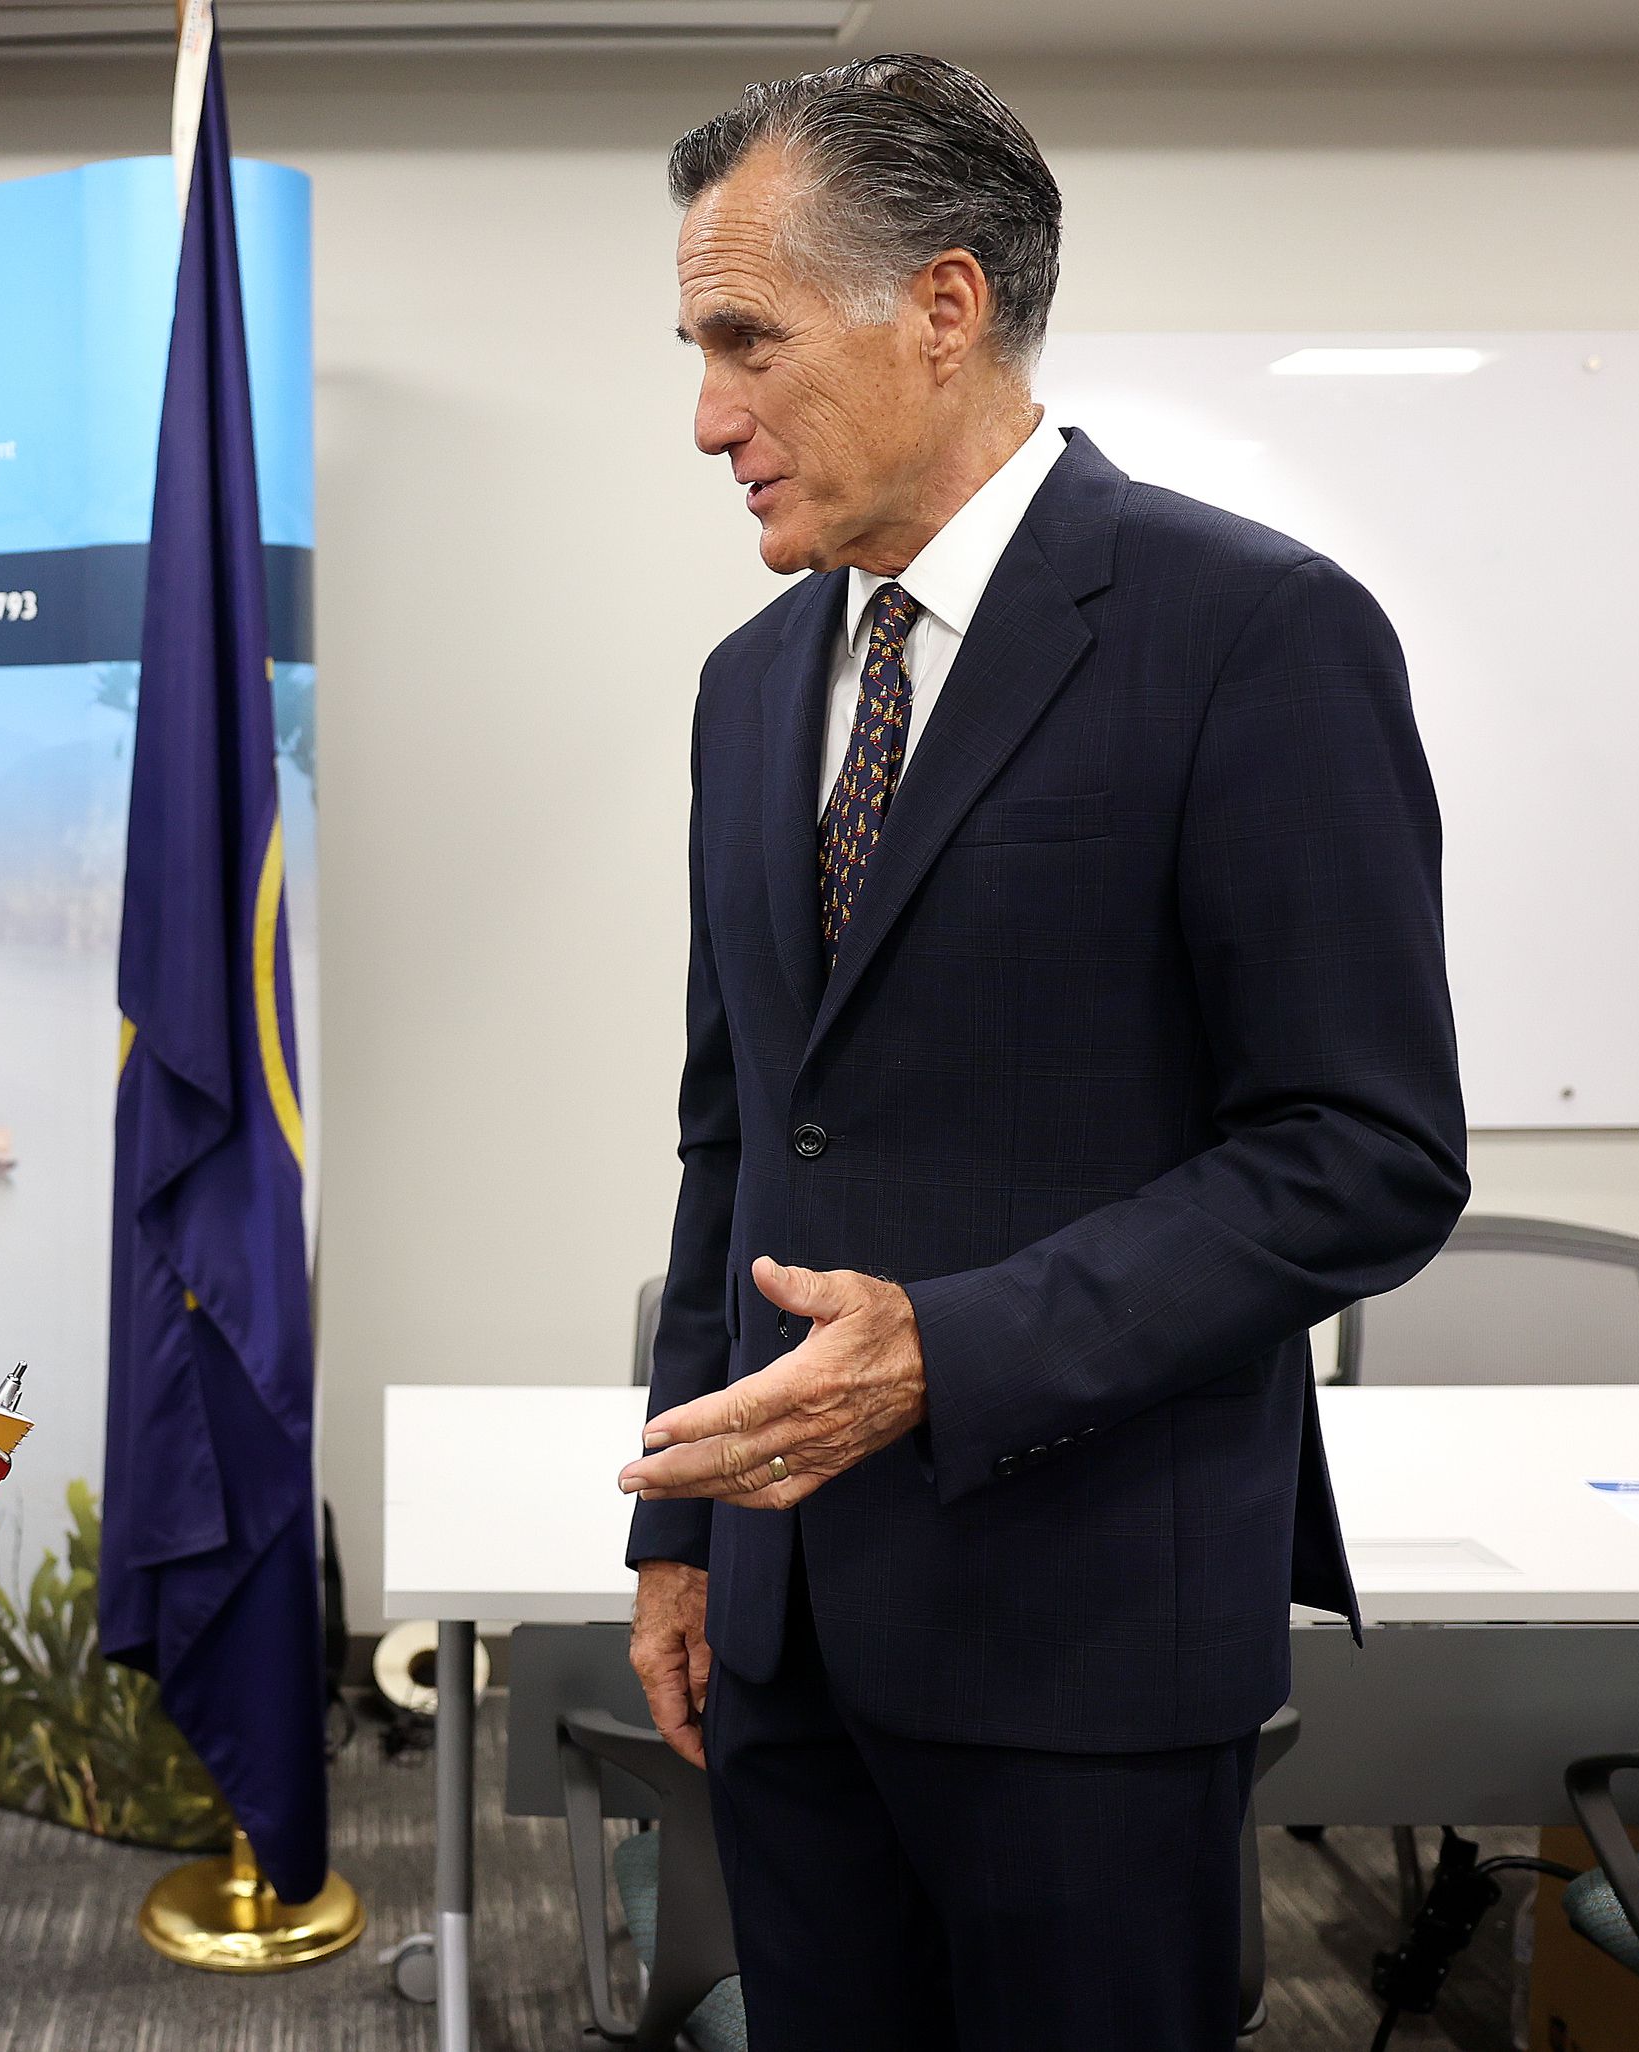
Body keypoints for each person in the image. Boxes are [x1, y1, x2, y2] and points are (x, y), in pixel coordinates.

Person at [615, 55, 1467, 2051]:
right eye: (696, 348)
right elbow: (734, 1140)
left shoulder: (1253, 633)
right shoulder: (753, 690)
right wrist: (676, 1532)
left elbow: (1365, 1150)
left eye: (747, 341)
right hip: (787, 1635)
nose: (708, 417)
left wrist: (953, 1351)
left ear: (945, 303)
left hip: (1088, 1647)